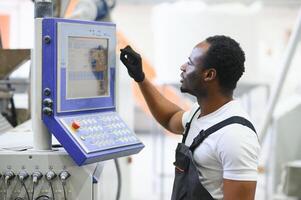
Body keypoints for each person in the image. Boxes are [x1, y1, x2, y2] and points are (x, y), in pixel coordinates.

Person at [120, 35, 260, 200]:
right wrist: (141, 78)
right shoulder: (199, 113)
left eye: (191, 63)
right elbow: (170, 118)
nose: (183, 67)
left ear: (209, 75)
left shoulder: (235, 136)